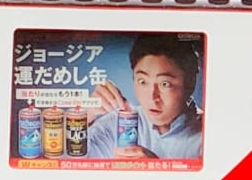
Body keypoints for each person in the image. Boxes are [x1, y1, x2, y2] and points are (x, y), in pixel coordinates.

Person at [85, 34, 205, 163]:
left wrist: (158, 170)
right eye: (143, 82)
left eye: (165, 84)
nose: (152, 97)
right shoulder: (118, 123)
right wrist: (86, 114)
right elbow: (65, 164)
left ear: (190, 83)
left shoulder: (207, 135)